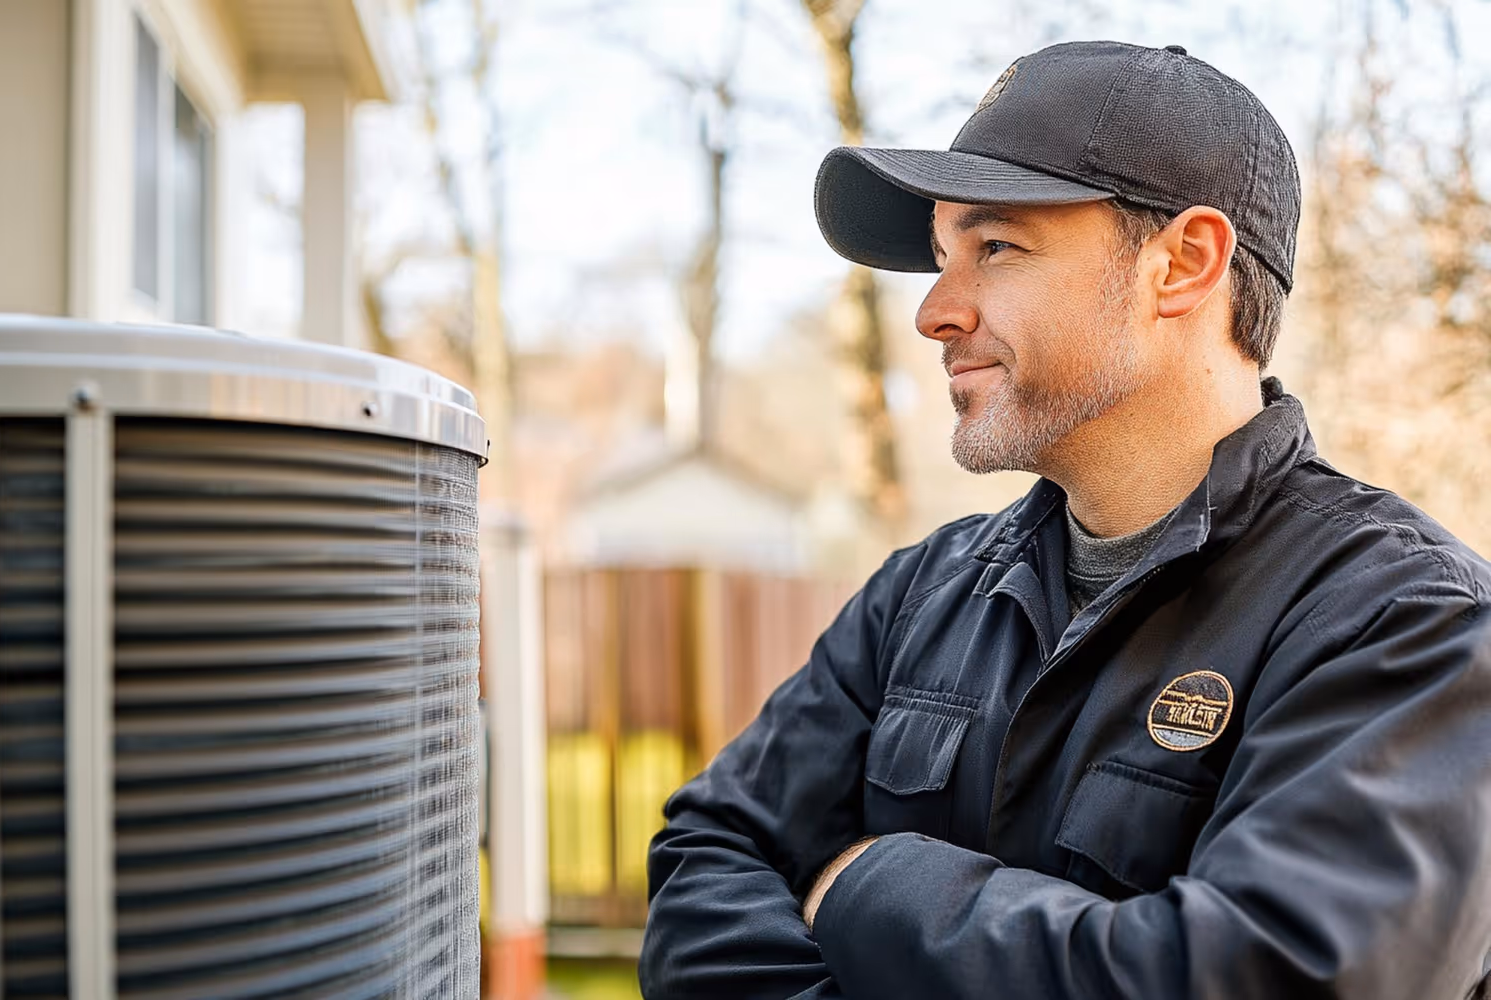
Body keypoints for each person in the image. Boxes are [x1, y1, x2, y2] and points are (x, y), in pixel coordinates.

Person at [638, 40, 1491, 1000]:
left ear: (1183, 265)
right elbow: (704, 866)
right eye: (939, 257)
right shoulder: (922, 594)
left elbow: (1275, 975)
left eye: (996, 248)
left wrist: (875, 885)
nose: (934, 312)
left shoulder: (1409, 623)